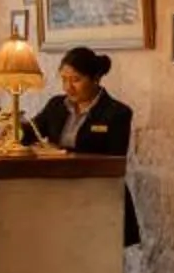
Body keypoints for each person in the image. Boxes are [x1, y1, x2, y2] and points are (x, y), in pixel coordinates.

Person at [31, 45, 140, 246]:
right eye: (64, 79)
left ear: (95, 78)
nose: (67, 87)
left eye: (76, 80)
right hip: (61, 199)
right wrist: (10, 127)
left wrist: (61, 153)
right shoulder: (56, 106)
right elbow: (31, 132)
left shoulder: (117, 113)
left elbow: (114, 161)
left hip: (100, 200)